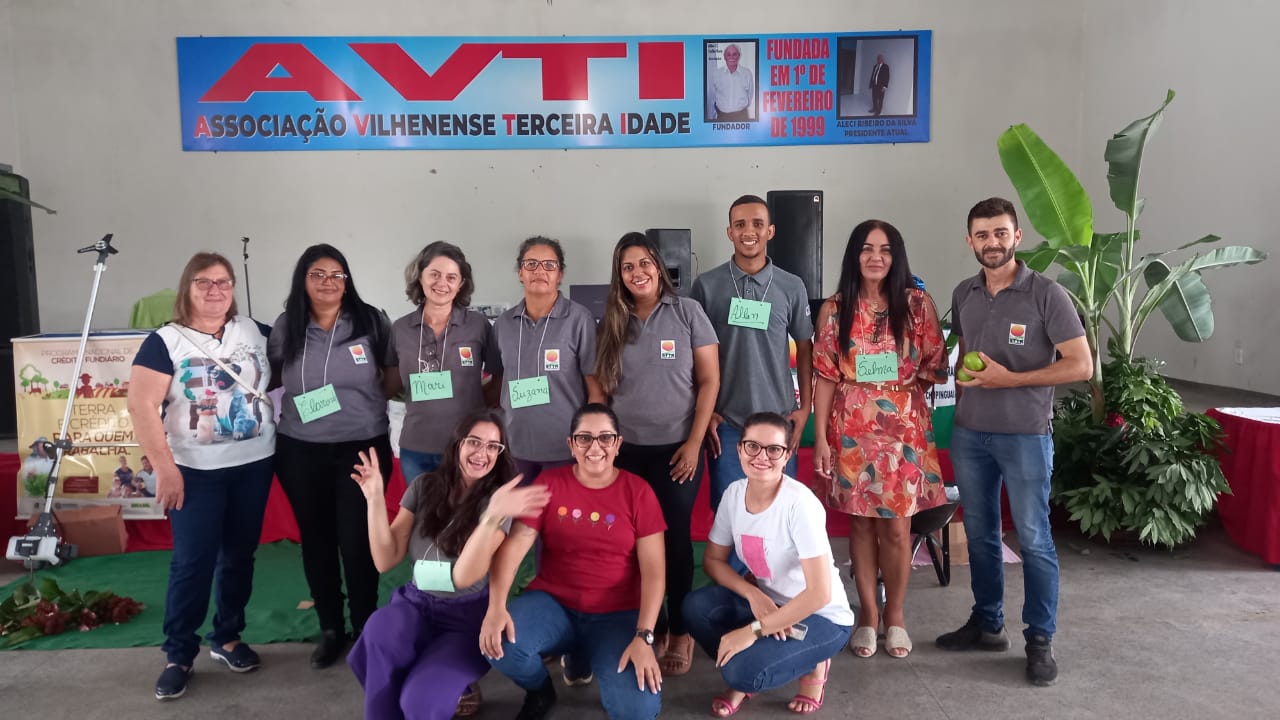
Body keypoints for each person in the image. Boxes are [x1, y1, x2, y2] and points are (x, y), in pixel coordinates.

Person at [935, 198, 1090, 687]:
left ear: (1017, 236)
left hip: (1025, 435)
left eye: (1000, 233)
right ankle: (988, 623)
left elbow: (1081, 365)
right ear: (970, 241)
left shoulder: (1047, 294)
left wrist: (1012, 380)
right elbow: (966, 356)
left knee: (1034, 539)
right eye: (982, 235)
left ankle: (1040, 640)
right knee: (981, 535)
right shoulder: (964, 292)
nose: (992, 243)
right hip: (970, 435)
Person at [127, 252, 275, 701]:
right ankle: (178, 654)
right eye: (204, 282)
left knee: (239, 556)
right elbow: (141, 406)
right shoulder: (165, 341)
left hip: (254, 463)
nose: (215, 290)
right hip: (194, 471)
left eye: (223, 282)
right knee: (192, 562)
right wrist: (165, 467)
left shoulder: (254, 331)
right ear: (187, 288)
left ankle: (227, 637)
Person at [347, 409, 551, 720]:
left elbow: (464, 576)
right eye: (474, 442)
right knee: (379, 631)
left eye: (493, 446)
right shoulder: (424, 486)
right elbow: (385, 560)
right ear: (457, 443)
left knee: (419, 700)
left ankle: (443, 682)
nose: (482, 453)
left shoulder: (498, 502)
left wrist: (491, 517)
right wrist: (374, 499)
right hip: (415, 605)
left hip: (464, 620)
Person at [812, 219, 949, 660]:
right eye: (867, 249)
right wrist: (822, 439)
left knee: (897, 526)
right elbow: (825, 376)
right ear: (854, 255)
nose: (876, 257)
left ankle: (896, 615)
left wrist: (899, 400)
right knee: (861, 523)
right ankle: (868, 616)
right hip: (851, 430)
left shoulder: (916, 305)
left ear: (897, 256)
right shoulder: (835, 309)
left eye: (885, 249)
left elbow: (934, 365)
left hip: (902, 431)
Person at [481, 403, 666, 720]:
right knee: (499, 644)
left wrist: (644, 636)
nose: (595, 447)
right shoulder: (549, 484)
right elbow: (513, 550)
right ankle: (541, 690)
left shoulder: (639, 492)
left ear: (618, 444)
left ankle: (583, 657)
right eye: (584, 438)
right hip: (555, 605)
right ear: (571, 444)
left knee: (637, 711)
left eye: (605, 438)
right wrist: (495, 606)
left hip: (617, 615)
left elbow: (654, 573)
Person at [595, 232, 719, 677]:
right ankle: (655, 625)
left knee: (675, 542)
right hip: (626, 454)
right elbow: (602, 388)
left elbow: (709, 380)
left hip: (677, 451)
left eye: (645, 263)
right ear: (619, 275)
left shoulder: (688, 312)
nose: (638, 273)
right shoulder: (611, 321)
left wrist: (694, 442)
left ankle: (682, 630)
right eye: (628, 267)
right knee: (632, 544)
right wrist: (604, 446)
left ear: (659, 267)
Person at [268, 244, 395, 669]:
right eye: (318, 274)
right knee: (317, 539)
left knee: (358, 542)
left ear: (347, 280)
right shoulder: (287, 325)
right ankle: (330, 628)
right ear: (302, 280)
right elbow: (271, 376)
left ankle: (365, 626)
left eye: (337, 274)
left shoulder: (370, 320)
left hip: (362, 446)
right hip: (301, 449)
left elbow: (392, 374)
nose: (328, 282)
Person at [684, 412, 854, 717]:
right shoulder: (734, 495)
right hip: (769, 604)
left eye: (774, 449)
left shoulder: (799, 504)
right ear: (739, 449)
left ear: (787, 456)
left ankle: (814, 665)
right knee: (696, 608)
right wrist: (754, 595)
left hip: (821, 616)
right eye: (752, 446)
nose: (762, 457)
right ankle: (756, 659)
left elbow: (819, 594)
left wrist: (753, 631)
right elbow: (712, 561)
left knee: (740, 672)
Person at [690, 195, 813, 515]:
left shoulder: (791, 286)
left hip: (779, 421)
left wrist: (805, 407)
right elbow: (694, 356)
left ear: (770, 231)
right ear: (729, 231)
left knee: (778, 515)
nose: (749, 231)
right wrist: (705, 412)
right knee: (730, 515)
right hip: (727, 424)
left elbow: (805, 347)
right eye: (740, 224)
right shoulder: (706, 286)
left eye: (758, 224)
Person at [388, 242, 503, 484]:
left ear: (461, 284)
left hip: (468, 449)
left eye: (451, 277)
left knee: (467, 508)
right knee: (422, 509)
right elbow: (392, 382)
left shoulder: (478, 325)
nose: (442, 283)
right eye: (435, 274)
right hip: (416, 449)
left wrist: (472, 400)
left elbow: (499, 379)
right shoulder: (400, 329)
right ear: (420, 276)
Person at [493, 236, 604, 480]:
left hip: (565, 448)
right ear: (520, 272)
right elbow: (496, 384)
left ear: (560, 274)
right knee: (519, 506)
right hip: (515, 447)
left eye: (549, 265)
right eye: (531, 264)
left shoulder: (579, 319)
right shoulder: (503, 324)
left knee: (559, 506)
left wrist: (589, 440)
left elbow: (596, 390)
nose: (539, 271)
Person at [710, 43, 754, 121]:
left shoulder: (747, 73)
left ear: (739, 56)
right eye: (728, 54)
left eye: (734, 54)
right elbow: (712, 95)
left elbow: (750, 95)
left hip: (742, 116)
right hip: (722, 117)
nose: (731, 57)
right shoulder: (716, 74)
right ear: (724, 57)